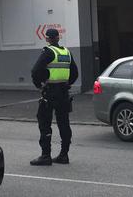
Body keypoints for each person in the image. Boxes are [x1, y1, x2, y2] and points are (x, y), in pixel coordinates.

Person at [30, 28, 78, 166]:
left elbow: (35, 71)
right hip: (63, 93)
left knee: (44, 122)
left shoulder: (48, 52)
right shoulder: (66, 52)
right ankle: (64, 155)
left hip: (50, 92)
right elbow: (74, 73)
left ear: (47, 39)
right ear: (58, 37)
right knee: (64, 123)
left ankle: (46, 156)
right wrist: (67, 84)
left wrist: (39, 85)